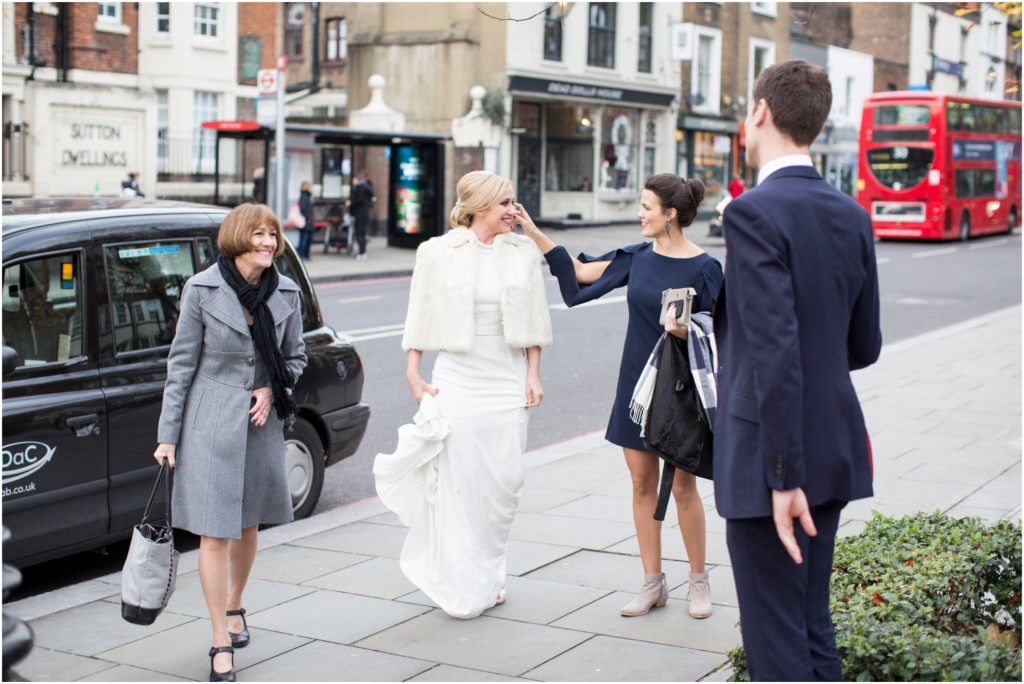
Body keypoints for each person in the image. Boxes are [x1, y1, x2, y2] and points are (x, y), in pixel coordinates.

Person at [713, 60, 881, 681]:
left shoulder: (752, 212)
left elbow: (774, 352)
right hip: (831, 445)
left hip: (773, 465)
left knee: (777, 647)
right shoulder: (851, 213)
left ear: (760, 111)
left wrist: (782, 478)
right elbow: (864, 345)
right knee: (810, 628)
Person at [518, 174, 723, 620]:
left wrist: (686, 330)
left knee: (683, 487)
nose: (640, 214)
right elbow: (579, 274)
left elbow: (722, 333)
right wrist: (532, 230)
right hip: (638, 387)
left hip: (681, 390)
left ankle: (698, 581)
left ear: (670, 214)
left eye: (647, 207)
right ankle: (653, 583)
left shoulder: (706, 268)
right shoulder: (637, 258)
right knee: (641, 484)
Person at [374, 171, 552, 619]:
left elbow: (535, 316)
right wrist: (413, 372)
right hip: (458, 377)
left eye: (513, 201)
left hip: (507, 376)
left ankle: (493, 572)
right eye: (505, 203)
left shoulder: (523, 252)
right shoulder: (437, 251)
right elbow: (420, 312)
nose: (513, 209)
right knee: (463, 484)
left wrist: (533, 373)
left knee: (504, 483)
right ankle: (466, 580)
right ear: (479, 207)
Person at [154, 203, 307, 682]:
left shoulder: (286, 292)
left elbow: (296, 357)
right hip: (209, 424)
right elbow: (181, 366)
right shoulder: (201, 289)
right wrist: (167, 436)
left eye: (272, 235)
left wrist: (271, 388)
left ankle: (236, 602)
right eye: (258, 234)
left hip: (259, 424)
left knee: (247, 525)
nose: (268, 243)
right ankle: (220, 637)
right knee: (214, 533)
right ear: (238, 238)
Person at [349, 172, 375, 259]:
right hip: (365, 213)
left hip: (359, 214)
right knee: (363, 233)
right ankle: (363, 252)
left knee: (359, 233)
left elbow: (357, 200)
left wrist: (351, 203)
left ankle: (361, 252)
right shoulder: (366, 188)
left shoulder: (359, 188)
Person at [296, 181, 316, 261]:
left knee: (308, 240)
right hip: (306, 222)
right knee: (304, 240)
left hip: (308, 222)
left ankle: (306, 255)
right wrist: (308, 218)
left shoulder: (307, 196)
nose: (311, 188)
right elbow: (303, 209)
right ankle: (301, 256)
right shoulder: (304, 197)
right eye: (310, 187)